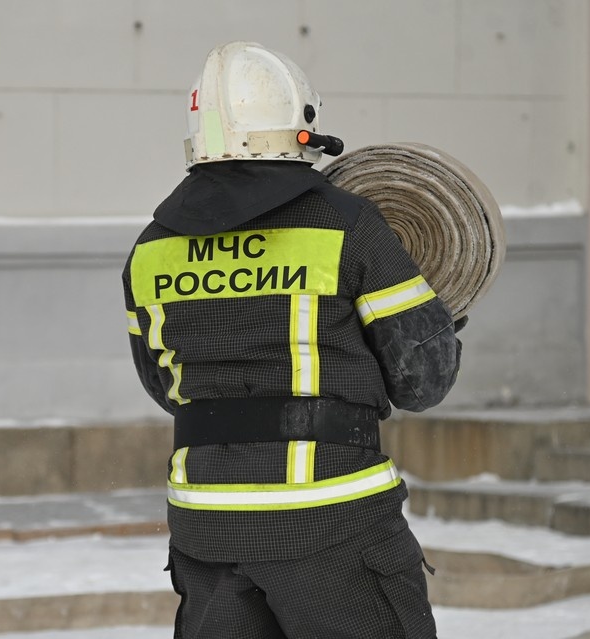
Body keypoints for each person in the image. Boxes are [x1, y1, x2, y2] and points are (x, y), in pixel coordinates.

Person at [123, 41, 465, 639]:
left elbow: (165, 387)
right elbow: (422, 379)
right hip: (333, 519)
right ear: (303, 127)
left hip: (206, 526)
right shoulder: (348, 225)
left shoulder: (151, 249)